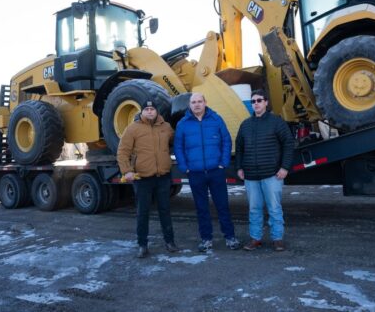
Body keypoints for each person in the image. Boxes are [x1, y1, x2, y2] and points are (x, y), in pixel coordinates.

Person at [174, 93, 241, 252]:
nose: (196, 104)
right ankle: (206, 239)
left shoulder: (216, 119)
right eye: (193, 102)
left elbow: (226, 140)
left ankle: (230, 237)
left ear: (205, 103)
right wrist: (185, 167)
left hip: (215, 171)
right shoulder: (183, 124)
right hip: (195, 173)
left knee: (222, 206)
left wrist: (223, 163)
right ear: (189, 105)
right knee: (201, 208)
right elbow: (178, 147)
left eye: (199, 101)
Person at [117, 100, 178, 258]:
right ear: (142, 112)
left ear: (157, 112)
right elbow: (123, 151)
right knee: (143, 212)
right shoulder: (133, 129)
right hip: (142, 178)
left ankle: (170, 242)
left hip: (163, 177)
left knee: (165, 210)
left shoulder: (166, 128)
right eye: (147, 109)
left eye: (152, 109)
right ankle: (142, 245)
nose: (150, 112)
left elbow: (177, 142)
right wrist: (127, 171)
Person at [235, 89, 294, 252]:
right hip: (251, 176)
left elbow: (288, 144)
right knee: (254, 209)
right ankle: (255, 239)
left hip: (272, 174)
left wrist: (285, 167)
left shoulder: (276, 122)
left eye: (259, 100)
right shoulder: (245, 124)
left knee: (274, 208)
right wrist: (239, 167)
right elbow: (239, 148)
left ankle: (278, 239)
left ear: (266, 103)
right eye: (253, 101)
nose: (256, 104)